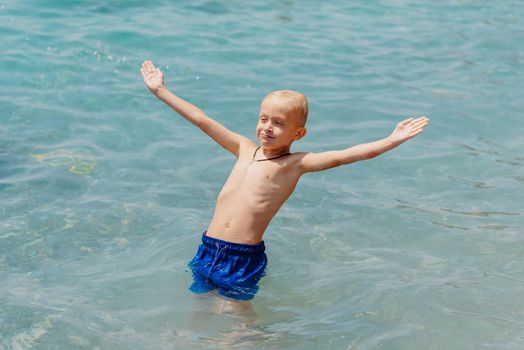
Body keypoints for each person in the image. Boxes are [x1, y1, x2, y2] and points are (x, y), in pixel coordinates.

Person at [141, 60, 429, 304]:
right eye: (264, 119)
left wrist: (391, 140)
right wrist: (161, 91)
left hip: (242, 257)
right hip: (208, 247)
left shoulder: (295, 164)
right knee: (199, 306)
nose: (267, 127)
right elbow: (201, 119)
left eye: (278, 123)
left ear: (298, 133)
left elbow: (345, 156)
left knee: (234, 319)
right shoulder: (243, 148)